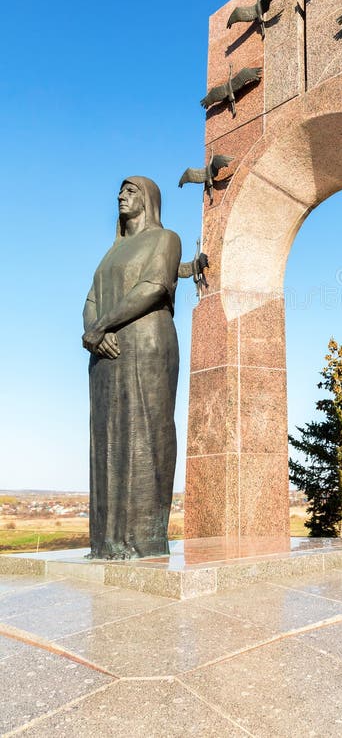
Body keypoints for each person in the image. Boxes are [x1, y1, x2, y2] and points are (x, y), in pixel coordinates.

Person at [82, 176, 181, 559]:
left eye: (131, 191)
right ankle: (106, 541)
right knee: (107, 437)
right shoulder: (111, 252)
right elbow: (90, 298)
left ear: (149, 199)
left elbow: (154, 286)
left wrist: (102, 325)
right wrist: (93, 332)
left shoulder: (165, 238)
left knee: (145, 433)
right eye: (120, 192)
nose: (122, 196)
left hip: (146, 345)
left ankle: (143, 540)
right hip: (105, 352)